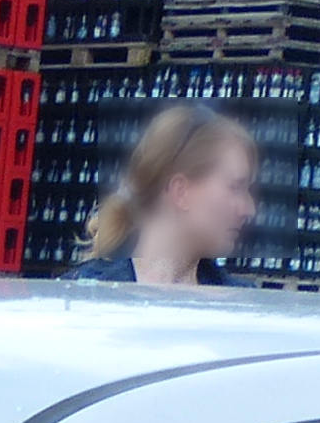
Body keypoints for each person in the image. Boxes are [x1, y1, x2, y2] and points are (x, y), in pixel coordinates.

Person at [66, 104, 260, 288]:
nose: (249, 210)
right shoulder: (81, 298)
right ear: (180, 192)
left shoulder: (244, 308)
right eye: (235, 187)